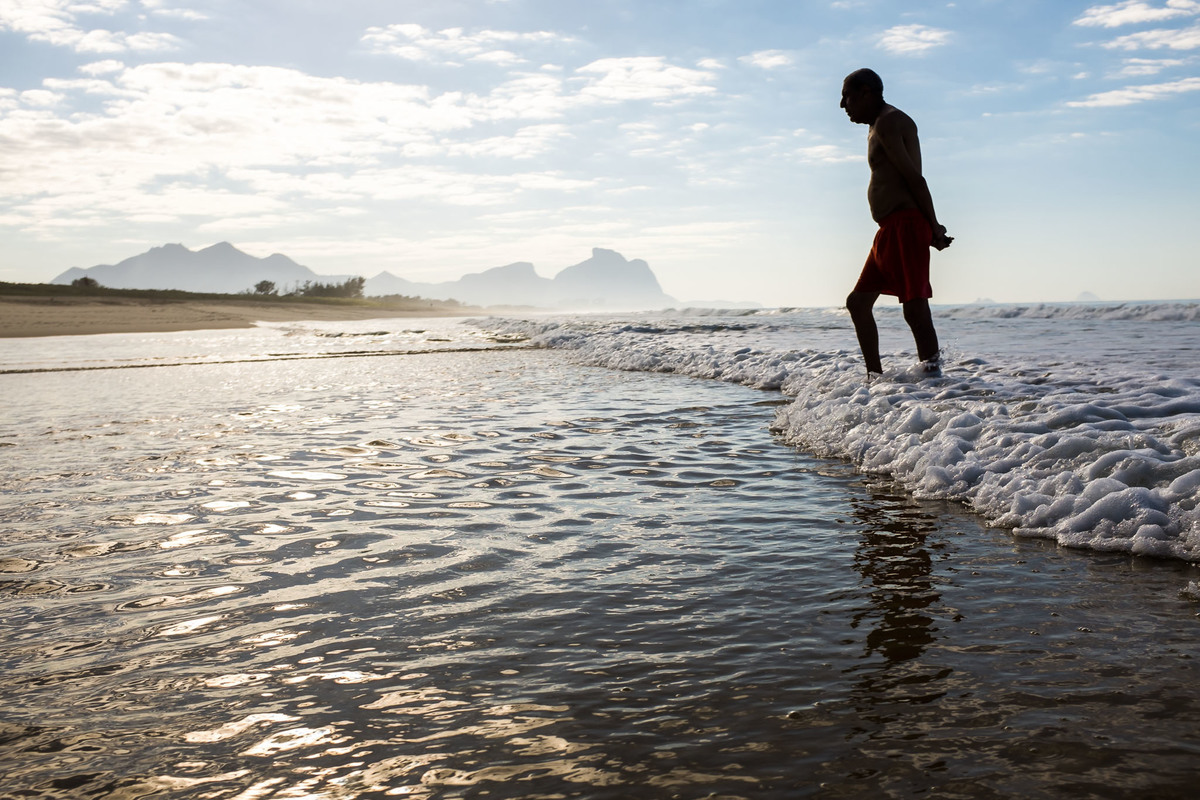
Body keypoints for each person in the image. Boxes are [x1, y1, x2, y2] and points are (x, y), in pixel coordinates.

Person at [840, 68, 952, 378]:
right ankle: (874, 379)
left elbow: (915, 178)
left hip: (905, 225)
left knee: (915, 308)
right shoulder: (876, 125)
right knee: (858, 303)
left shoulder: (890, 122)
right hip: (889, 230)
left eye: (846, 96)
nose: (841, 105)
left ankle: (933, 379)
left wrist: (933, 226)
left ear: (866, 93)